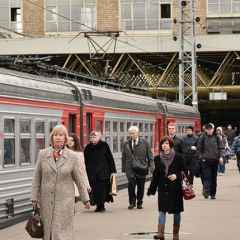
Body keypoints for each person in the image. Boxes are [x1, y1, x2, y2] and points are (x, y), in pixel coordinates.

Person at [32, 124, 90, 240]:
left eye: (61, 135)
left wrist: (85, 199)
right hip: (46, 200)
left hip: (65, 201)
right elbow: (37, 177)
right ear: (52, 137)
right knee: (47, 232)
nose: (58, 137)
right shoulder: (43, 154)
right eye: (56, 135)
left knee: (60, 233)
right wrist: (34, 197)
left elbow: (79, 179)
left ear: (65, 138)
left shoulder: (72, 156)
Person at [147, 136, 184, 240]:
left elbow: (185, 171)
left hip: (175, 189)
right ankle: (160, 233)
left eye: (166, 143)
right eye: (163, 144)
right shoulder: (157, 158)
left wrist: (177, 176)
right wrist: (152, 190)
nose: (164, 145)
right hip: (163, 189)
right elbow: (156, 175)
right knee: (162, 211)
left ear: (171, 145)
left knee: (176, 212)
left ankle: (175, 234)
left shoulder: (178, 157)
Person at [122, 126, 154, 210]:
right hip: (130, 168)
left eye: (133, 133)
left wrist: (152, 168)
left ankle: (139, 202)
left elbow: (150, 156)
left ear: (137, 133)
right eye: (130, 133)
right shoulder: (126, 143)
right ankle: (132, 202)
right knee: (131, 186)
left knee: (141, 186)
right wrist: (123, 169)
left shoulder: (145, 143)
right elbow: (123, 156)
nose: (131, 135)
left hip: (141, 168)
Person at [84, 131, 117, 212]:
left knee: (102, 190)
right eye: (91, 137)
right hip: (91, 173)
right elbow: (84, 160)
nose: (93, 138)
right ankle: (98, 205)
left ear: (99, 137)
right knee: (94, 190)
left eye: (95, 137)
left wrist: (113, 170)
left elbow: (110, 158)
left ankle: (101, 206)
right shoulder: (88, 147)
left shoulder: (104, 145)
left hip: (103, 172)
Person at [197, 123, 224, 199]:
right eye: (208, 129)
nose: (209, 131)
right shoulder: (202, 137)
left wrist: (221, 157)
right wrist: (201, 157)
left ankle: (213, 194)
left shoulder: (217, 137)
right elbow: (199, 148)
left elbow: (221, 148)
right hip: (205, 160)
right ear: (206, 130)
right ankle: (206, 191)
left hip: (215, 160)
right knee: (207, 177)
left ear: (213, 129)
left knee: (213, 178)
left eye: (210, 129)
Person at [67, 133, 91, 202]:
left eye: (72, 140)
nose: (70, 142)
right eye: (68, 140)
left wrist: (87, 184)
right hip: (65, 181)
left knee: (72, 201)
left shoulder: (79, 154)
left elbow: (82, 169)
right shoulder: (63, 152)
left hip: (75, 181)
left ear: (76, 142)